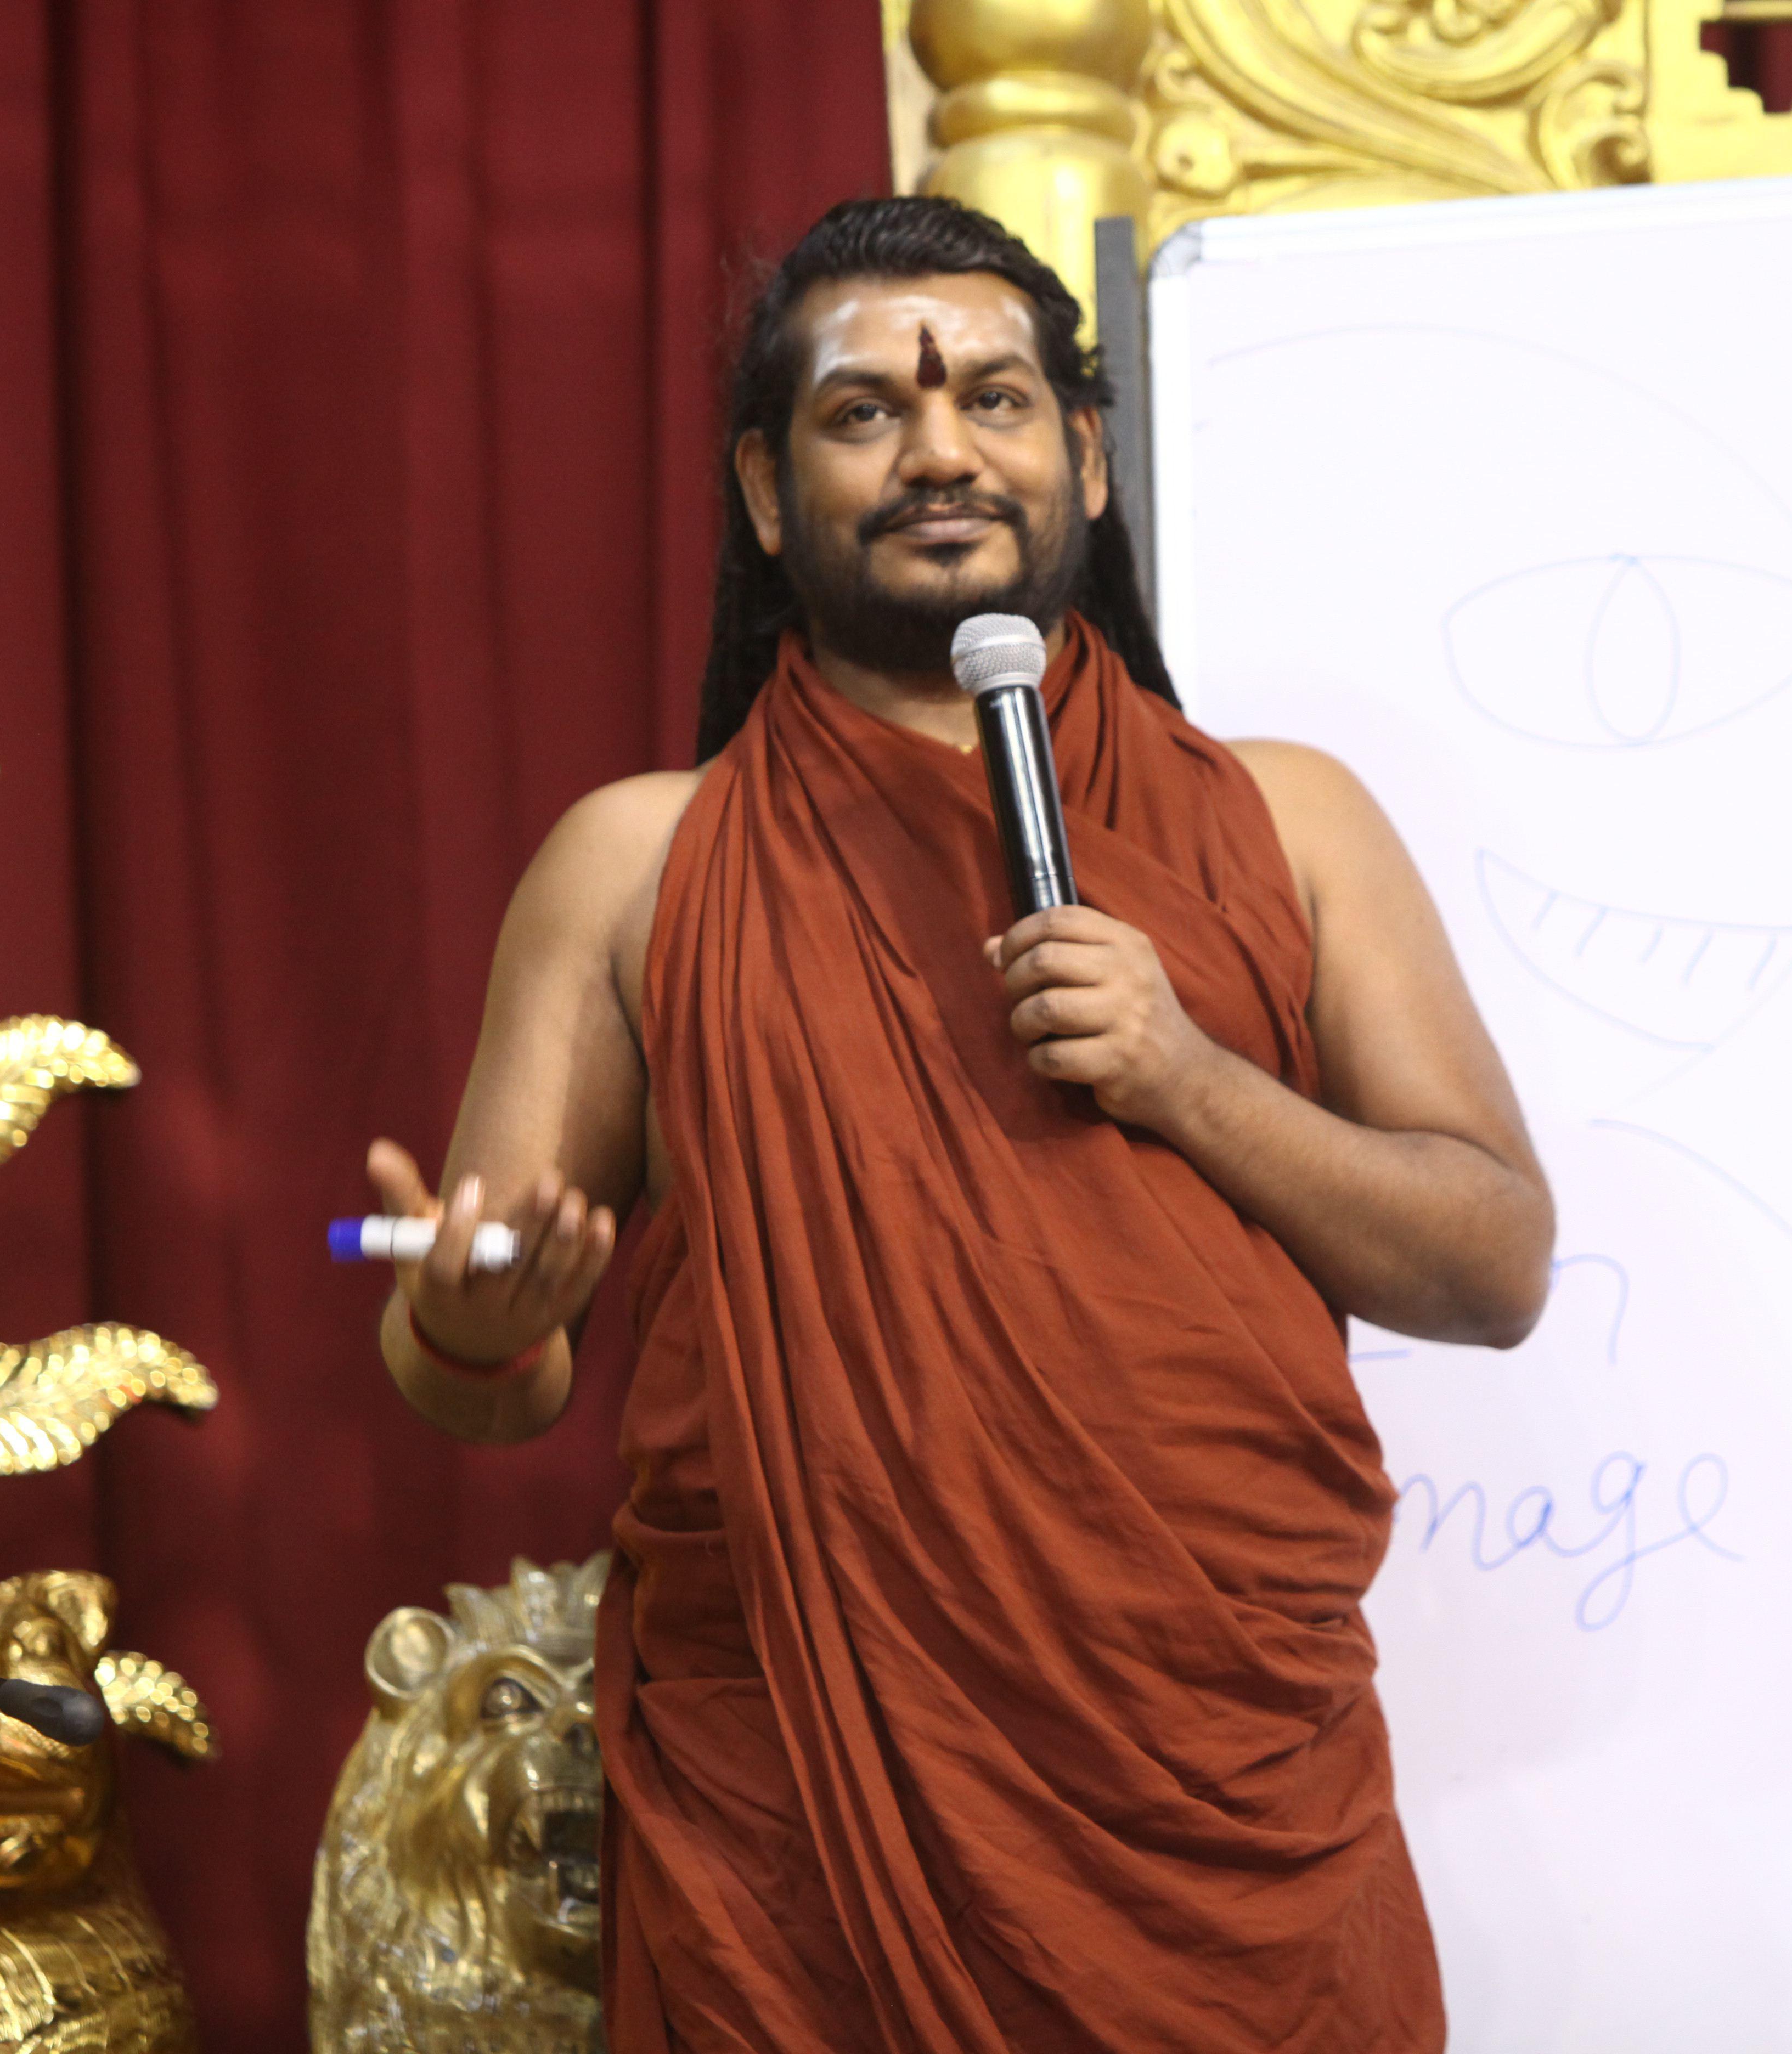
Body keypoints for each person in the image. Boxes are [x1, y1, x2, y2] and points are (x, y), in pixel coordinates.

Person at [364, 195, 1552, 2053]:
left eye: (995, 398)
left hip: (1234, 1813)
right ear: (767, 493)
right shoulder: (639, 866)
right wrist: (473, 1321)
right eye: (866, 413)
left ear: (1087, 454)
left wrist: (1189, 1076)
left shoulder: (1290, 822)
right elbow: (477, 1380)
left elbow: (1495, 1265)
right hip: (803, 1853)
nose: (941, 451)